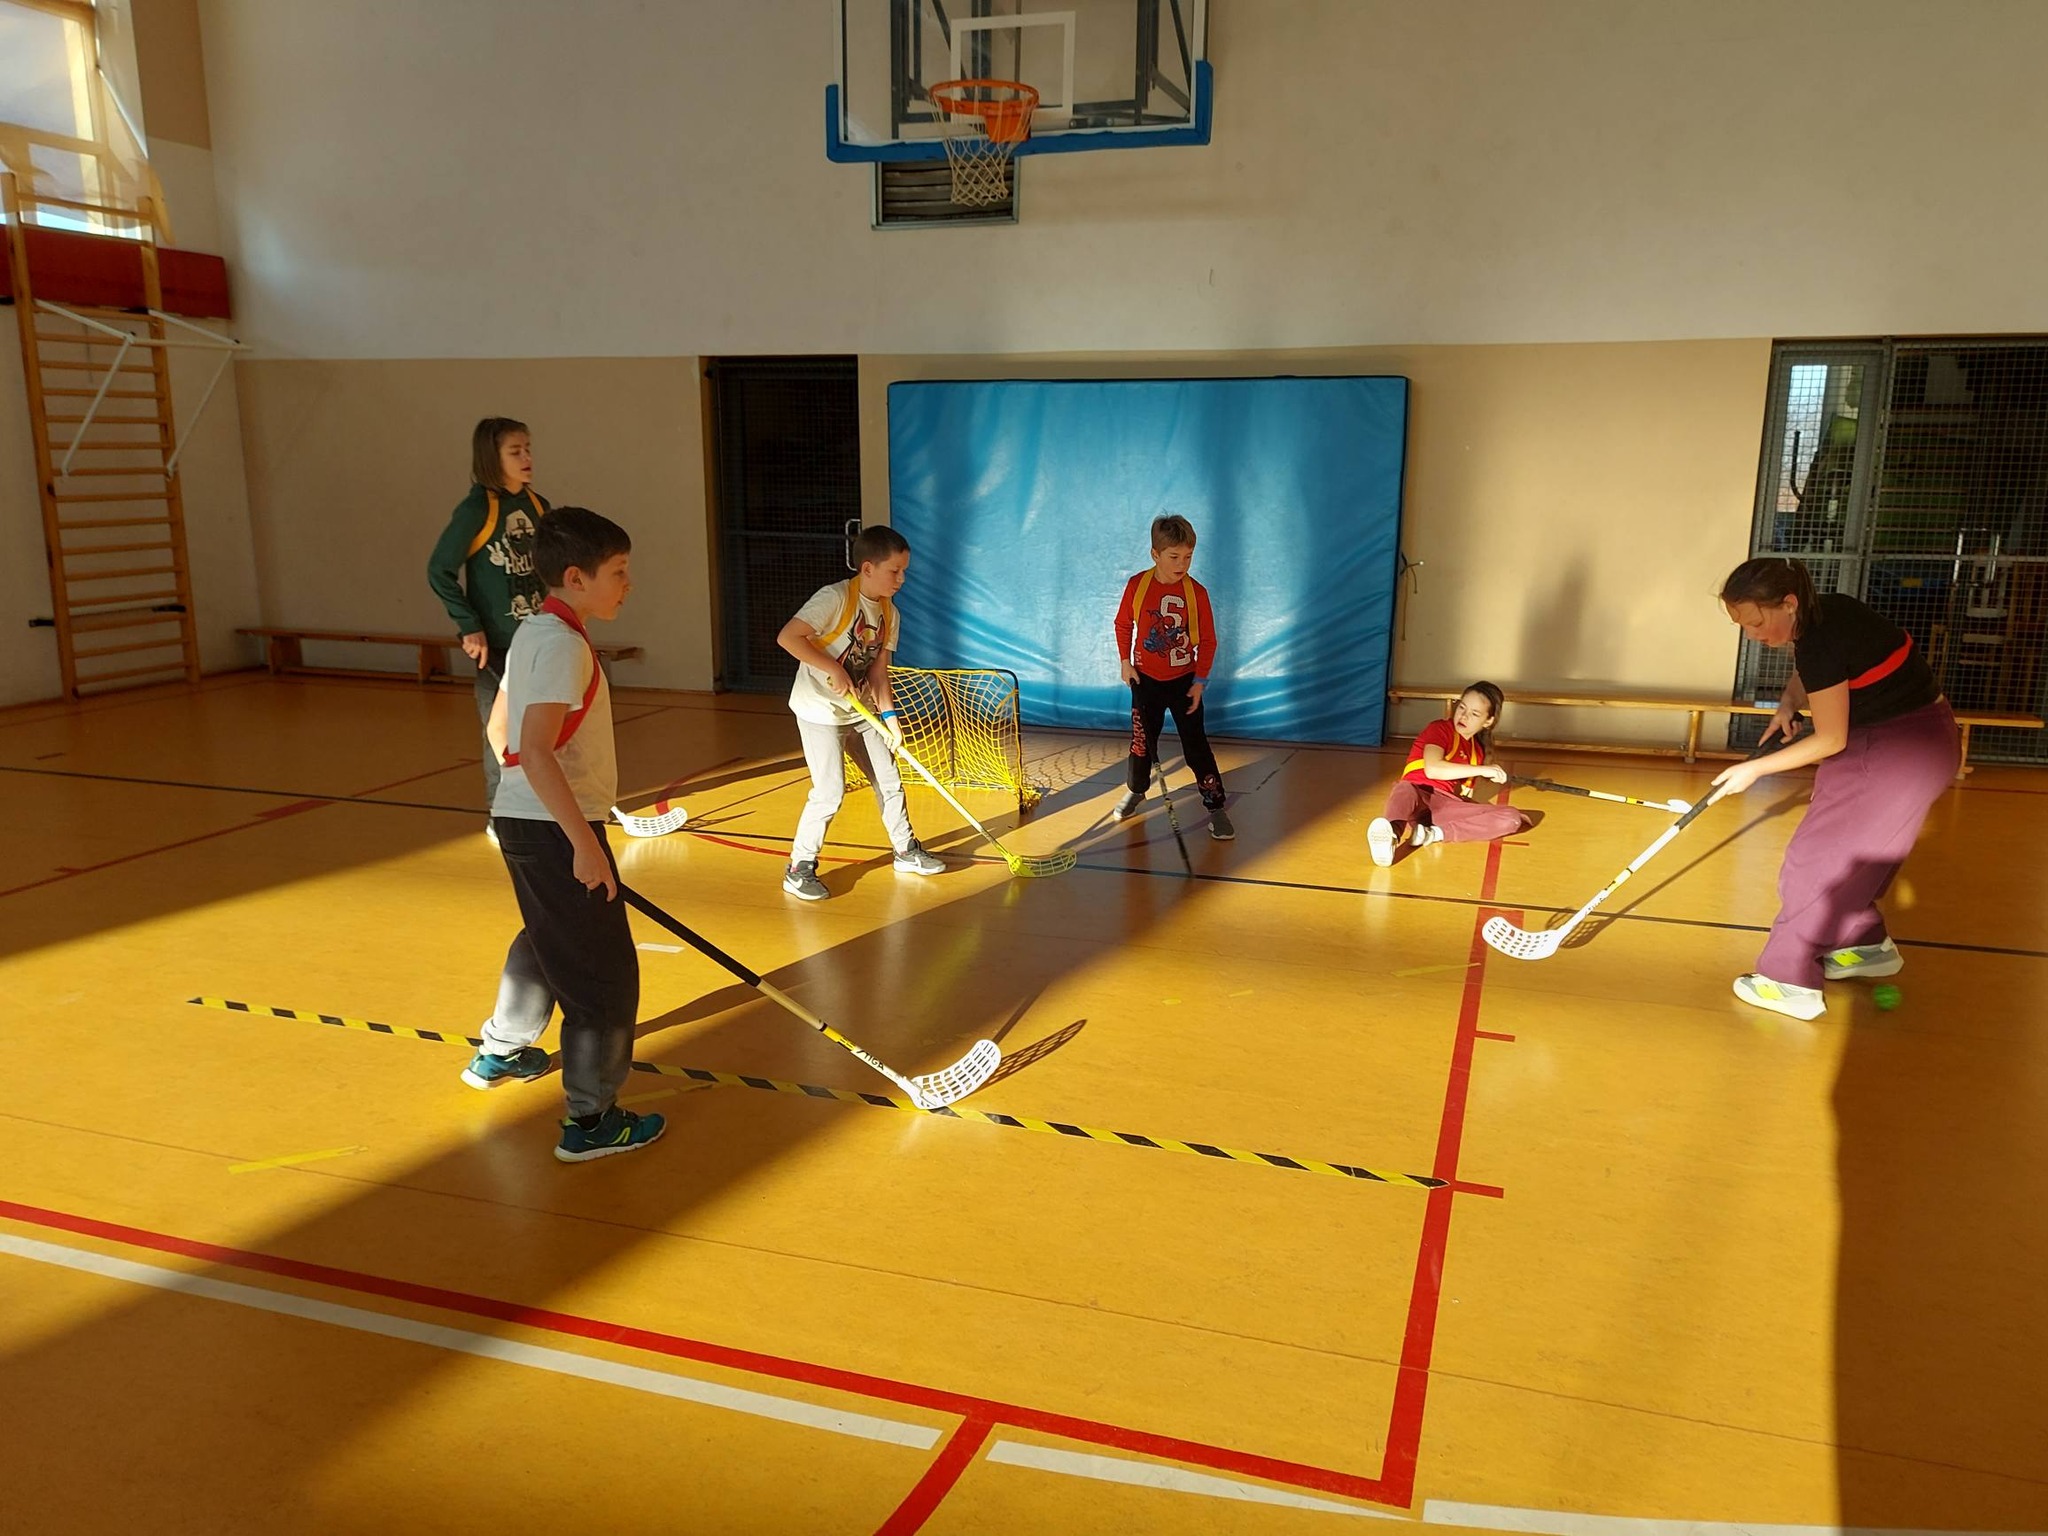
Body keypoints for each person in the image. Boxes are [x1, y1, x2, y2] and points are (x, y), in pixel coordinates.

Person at [468, 506, 664, 1162]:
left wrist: (519, 800)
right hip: (556, 826)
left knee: (548, 936)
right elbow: (534, 747)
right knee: (602, 976)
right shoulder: (563, 646)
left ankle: (502, 1049)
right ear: (576, 578)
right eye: (619, 572)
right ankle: (592, 1120)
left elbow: (500, 729)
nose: (628, 584)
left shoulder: (534, 630)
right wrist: (584, 844)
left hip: (525, 816)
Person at [1713, 556, 1958, 1020]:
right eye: (1742, 626)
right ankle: (1861, 947)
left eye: (1756, 622)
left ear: (1788, 603)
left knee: (1816, 862)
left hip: (1896, 750)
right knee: (1858, 860)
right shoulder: (1827, 610)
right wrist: (1790, 701)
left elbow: (1830, 739)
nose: (1752, 634)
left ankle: (1787, 981)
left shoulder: (1819, 640)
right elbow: (1818, 671)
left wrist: (1754, 771)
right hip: (1924, 742)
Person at [775, 525, 946, 901]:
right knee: (830, 791)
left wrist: (890, 720)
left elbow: (879, 671)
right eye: (894, 571)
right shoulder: (834, 598)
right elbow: (788, 637)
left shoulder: (889, 612)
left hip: (861, 710)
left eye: (904, 571)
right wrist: (832, 669)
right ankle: (799, 868)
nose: (901, 579)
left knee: (889, 779)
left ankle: (905, 850)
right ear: (868, 568)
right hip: (819, 709)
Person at [426, 417, 548, 833]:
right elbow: (439, 570)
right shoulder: (477, 509)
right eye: (515, 451)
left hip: (539, 640)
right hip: (497, 645)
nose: (527, 457)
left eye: (528, 448)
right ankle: (501, 815)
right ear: (491, 457)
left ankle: (547, 803)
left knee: (546, 728)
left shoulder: (537, 505)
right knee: (499, 731)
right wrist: (468, 624)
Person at [1112, 514, 1233, 839]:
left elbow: (1208, 641)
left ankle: (1216, 807)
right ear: (1155, 554)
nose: (1182, 564)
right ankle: (1137, 790)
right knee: (1141, 744)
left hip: (1184, 682)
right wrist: (1125, 662)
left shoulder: (1197, 593)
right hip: (1146, 681)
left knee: (1197, 747)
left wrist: (1200, 682)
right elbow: (1123, 624)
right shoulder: (1137, 586)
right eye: (1174, 556)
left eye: (1188, 557)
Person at [1368, 682, 1531, 865]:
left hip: (1443, 807)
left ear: (1488, 721)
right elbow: (1433, 769)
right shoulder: (1439, 729)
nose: (1464, 716)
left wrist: (1483, 812)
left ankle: (1432, 834)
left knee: (1512, 817)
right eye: (1462, 707)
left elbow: (1462, 795)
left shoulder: (1477, 752)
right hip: (1416, 796)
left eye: (1474, 714)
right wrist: (1484, 770)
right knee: (1405, 788)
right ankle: (1389, 836)